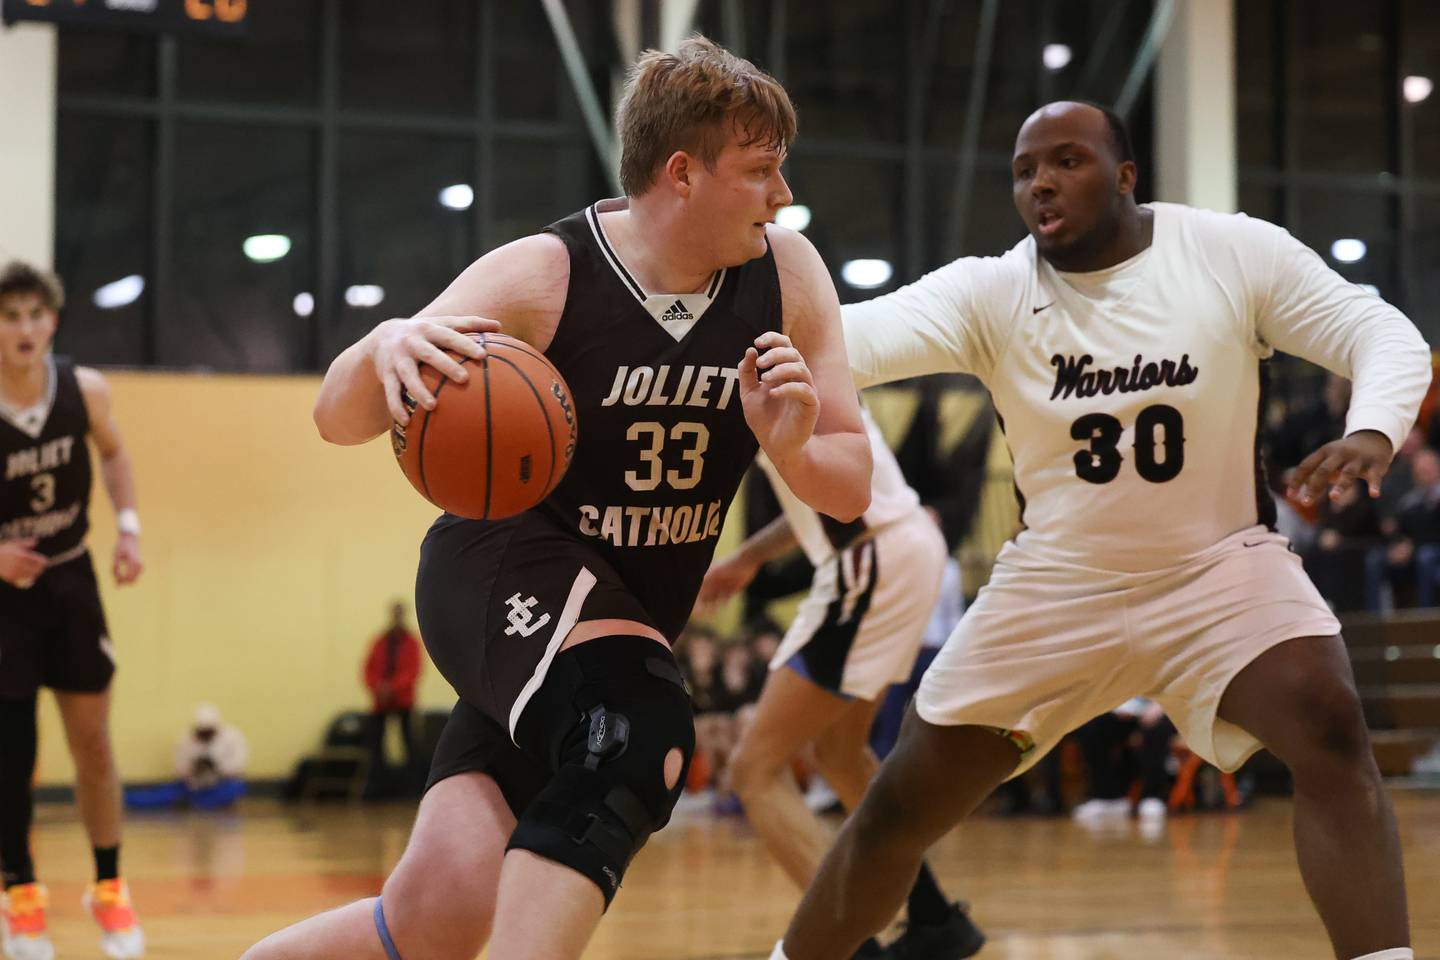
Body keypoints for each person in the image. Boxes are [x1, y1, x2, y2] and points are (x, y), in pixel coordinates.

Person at [243, 36, 871, 960]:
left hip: (605, 626)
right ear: (683, 172)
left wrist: (791, 447)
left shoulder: (788, 276)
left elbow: (850, 485)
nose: (783, 194)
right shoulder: (545, 274)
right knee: (639, 735)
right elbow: (337, 419)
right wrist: (384, 345)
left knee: (442, 910)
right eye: (763, 171)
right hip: (500, 569)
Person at [774, 101, 1429, 960]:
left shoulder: (1228, 252)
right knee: (900, 805)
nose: (1040, 180)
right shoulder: (992, 290)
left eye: (1068, 160)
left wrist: (1374, 428)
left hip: (1218, 568)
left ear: (1126, 177)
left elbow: (1376, 329)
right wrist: (749, 330)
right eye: (1023, 168)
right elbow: (851, 338)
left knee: (1330, 721)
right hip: (1057, 584)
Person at [700, 410, 983, 959]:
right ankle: (933, 918)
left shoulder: (767, 359)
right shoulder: (801, 367)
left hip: (871, 558)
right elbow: (822, 494)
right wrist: (748, 557)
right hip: (899, 548)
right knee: (841, 753)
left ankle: (849, 948)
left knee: (754, 770)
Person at [0, 261, 146, 960]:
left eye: (35, 314)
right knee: (12, 756)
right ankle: (21, 895)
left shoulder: (83, 390)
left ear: (52, 321)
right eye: (10, 316)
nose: (24, 328)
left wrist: (128, 528)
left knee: (93, 742)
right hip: (3, 596)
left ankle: (109, 888)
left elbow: (114, 456)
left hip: (69, 580)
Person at [362, 602, 423, 787]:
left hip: (403, 701)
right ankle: (378, 786)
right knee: (376, 746)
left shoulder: (412, 642)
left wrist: (392, 688)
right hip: (380, 702)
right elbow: (368, 669)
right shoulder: (379, 641)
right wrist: (379, 687)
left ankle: (411, 786)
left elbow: (413, 671)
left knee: (409, 744)